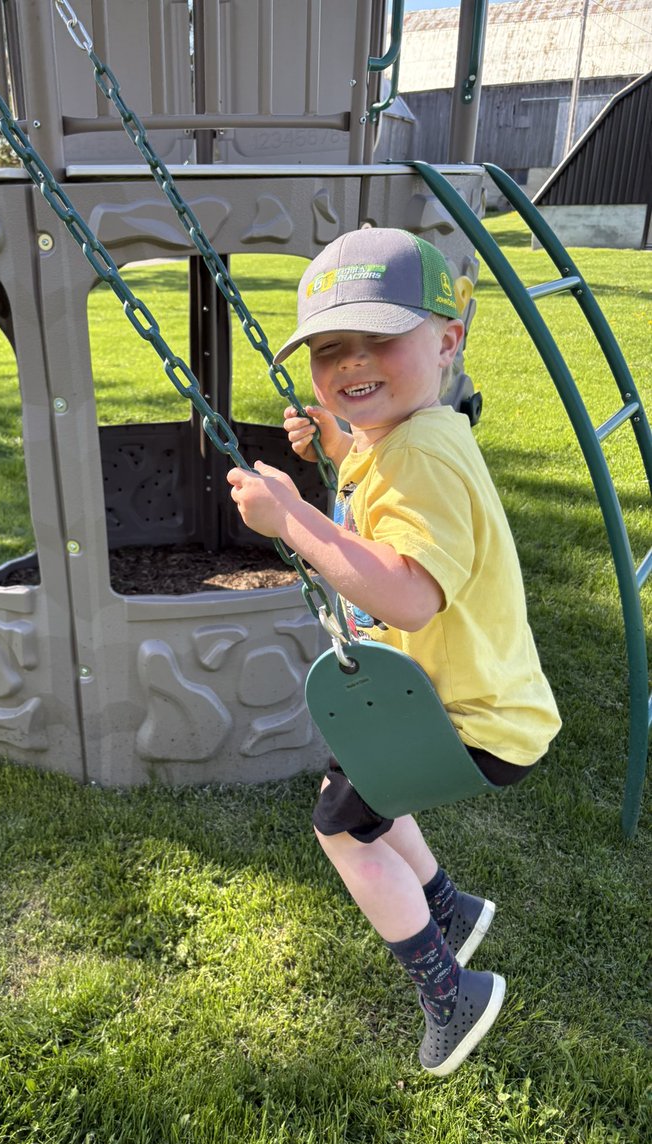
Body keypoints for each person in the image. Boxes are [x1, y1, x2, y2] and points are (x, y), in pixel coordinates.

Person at [227, 227, 561, 1077]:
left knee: (341, 830)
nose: (352, 364)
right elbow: (377, 473)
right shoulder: (410, 431)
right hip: (460, 702)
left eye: (380, 339)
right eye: (332, 349)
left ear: (448, 338)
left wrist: (292, 519)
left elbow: (408, 590)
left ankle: (454, 995)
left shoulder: (423, 458)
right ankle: (449, 907)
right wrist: (334, 448)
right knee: (364, 774)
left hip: (469, 723)